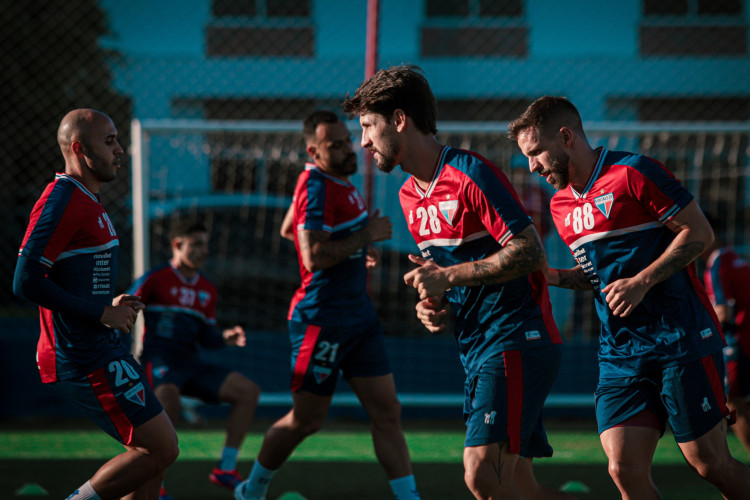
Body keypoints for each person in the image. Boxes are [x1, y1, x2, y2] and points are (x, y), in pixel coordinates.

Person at [344, 65, 573, 500]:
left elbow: (529, 253)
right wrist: (433, 301)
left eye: (369, 126)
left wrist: (446, 275)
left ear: (399, 120)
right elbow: (448, 275)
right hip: (477, 344)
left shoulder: (471, 172)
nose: (364, 141)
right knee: (520, 486)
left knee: (481, 475)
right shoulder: (409, 195)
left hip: (516, 338)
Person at [508, 95, 750, 499]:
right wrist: (548, 276)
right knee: (623, 468)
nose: (531, 167)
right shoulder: (560, 205)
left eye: (535, 153)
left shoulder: (633, 172)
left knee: (709, 464)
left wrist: (641, 281)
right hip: (621, 353)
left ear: (566, 137)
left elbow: (699, 233)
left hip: (682, 339)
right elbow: (595, 278)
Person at [234, 110, 420, 500]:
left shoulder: (338, 181)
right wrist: (364, 236)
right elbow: (313, 255)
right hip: (321, 321)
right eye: (334, 145)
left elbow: (291, 229)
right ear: (313, 150)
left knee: (388, 411)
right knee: (306, 420)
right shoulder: (315, 184)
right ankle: (252, 490)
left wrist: (354, 248)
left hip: (359, 318)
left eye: (346, 139)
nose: (347, 148)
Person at [13, 109, 179, 500]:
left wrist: (107, 302)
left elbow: (69, 276)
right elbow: (25, 280)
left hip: (102, 346)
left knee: (152, 459)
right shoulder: (61, 199)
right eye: (109, 141)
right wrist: (102, 312)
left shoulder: (87, 199)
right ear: (78, 148)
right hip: (81, 354)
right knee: (160, 448)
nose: (120, 150)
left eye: (117, 139)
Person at [128, 217, 261, 498]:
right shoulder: (156, 278)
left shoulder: (207, 289)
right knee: (167, 406)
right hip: (160, 360)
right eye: (197, 244)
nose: (204, 251)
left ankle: (225, 468)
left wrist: (227, 337)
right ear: (177, 245)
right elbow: (124, 306)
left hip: (191, 364)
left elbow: (208, 339)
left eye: (206, 245)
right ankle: (157, 488)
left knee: (247, 392)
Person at [701, 213, 750, 458]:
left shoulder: (718, 263)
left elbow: (723, 312)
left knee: (733, 401)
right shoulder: (733, 257)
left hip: (739, 341)